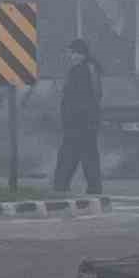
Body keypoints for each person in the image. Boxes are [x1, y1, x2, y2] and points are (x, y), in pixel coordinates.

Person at [54, 37, 103, 195]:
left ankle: (61, 185)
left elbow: (76, 97)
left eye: (73, 53)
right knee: (87, 154)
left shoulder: (80, 70)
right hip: (88, 120)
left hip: (78, 121)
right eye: (70, 53)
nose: (71, 57)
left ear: (81, 54)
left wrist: (69, 117)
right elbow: (96, 94)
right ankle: (93, 187)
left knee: (69, 154)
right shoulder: (91, 68)